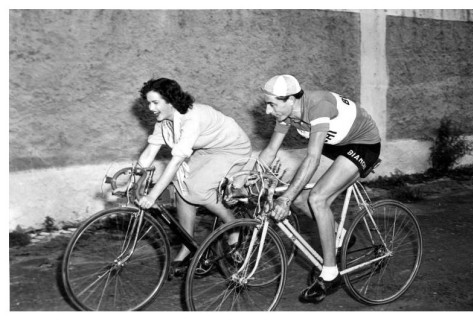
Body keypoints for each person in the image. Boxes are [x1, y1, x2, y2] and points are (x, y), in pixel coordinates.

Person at [258, 74, 381, 303]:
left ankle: (330, 274)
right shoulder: (286, 114)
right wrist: (247, 177)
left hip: (362, 144)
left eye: (272, 104)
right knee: (299, 199)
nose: (267, 110)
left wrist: (284, 198)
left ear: (291, 99)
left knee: (316, 198)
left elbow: (312, 158)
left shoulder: (318, 106)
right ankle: (341, 235)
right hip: (336, 145)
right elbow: (270, 150)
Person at [136, 77, 252, 276]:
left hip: (232, 148)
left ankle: (234, 228)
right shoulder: (164, 122)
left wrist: (153, 196)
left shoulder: (191, 118)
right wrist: (133, 177)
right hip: (208, 149)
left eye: (155, 102)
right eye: (148, 102)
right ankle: (188, 246)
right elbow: (148, 154)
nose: (150, 107)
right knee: (181, 183)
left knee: (198, 188)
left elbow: (175, 162)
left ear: (170, 102)